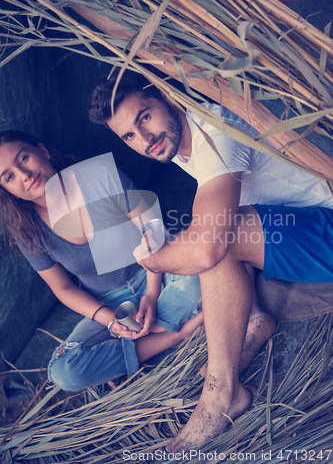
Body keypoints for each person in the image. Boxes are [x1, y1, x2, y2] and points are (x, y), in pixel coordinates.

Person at [88, 68, 333, 451]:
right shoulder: (181, 142)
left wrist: (154, 262)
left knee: (214, 237)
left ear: (167, 96)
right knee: (210, 225)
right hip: (296, 225)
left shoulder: (214, 131)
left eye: (145, 117)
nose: (145, 139)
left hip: (326, 228)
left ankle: (221, 395)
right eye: (129, 136)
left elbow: (206, 248)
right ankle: (253, 321)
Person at [0, 130, 204, 393]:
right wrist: (110, 321)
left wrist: (152, 294)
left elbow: (151, 227)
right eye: (9, 177)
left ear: (43, 150)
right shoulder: (28, 233)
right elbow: (63, 289)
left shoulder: (99, 174)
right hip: (109, 303)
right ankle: (177, 333)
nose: (24, 175)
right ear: (9, 192)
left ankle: (133, 349)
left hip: (160, 270)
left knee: (199, 272)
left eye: (24, 158)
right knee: (65, 372)